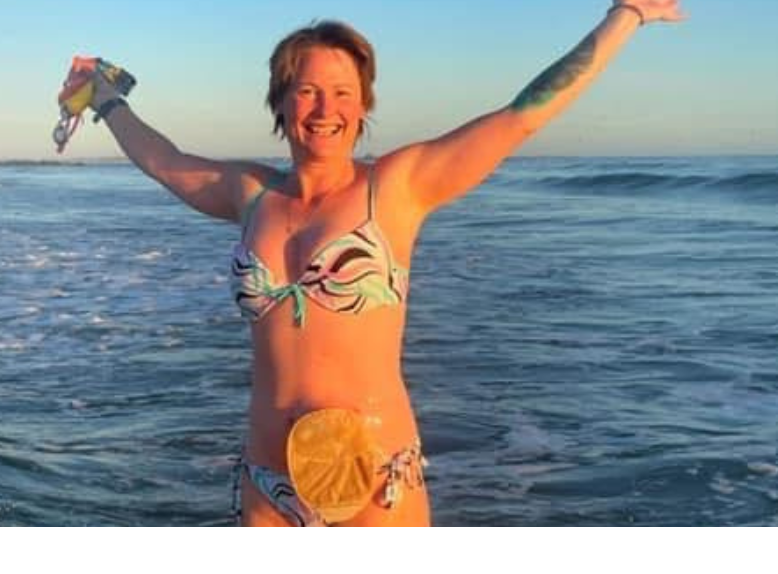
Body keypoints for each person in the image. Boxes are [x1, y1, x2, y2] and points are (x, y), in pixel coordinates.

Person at [88, 0, 685, 526]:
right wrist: (104, 96)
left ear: (364, 103)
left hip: (377, 480)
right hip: (268, 483)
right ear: (281, 100)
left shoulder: (398, 187)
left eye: (344, 92)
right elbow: (162, 159)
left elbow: (524, 113)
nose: (327, 108)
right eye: (308, 90)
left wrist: (624, 15)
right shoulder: (250, 195)